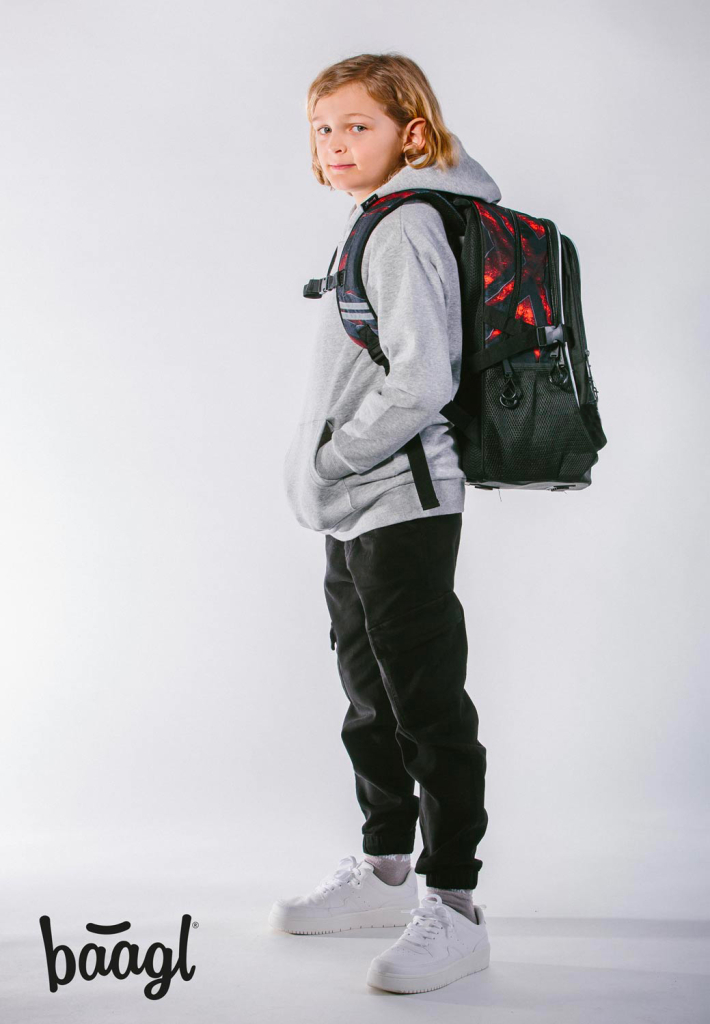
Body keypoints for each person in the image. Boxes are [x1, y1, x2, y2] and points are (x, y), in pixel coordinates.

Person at [271, 52, 500, 994]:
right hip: (359, 505)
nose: (334, 144)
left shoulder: (405, 224)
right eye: (323, 128)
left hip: (401, 500)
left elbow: (423, 379)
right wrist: (334, 475)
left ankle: (453, 903)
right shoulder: (373, 218)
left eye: (356, 126)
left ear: (412, 132)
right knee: (370, 694)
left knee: (424, 702)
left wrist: (333, 458)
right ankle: (384, 869)